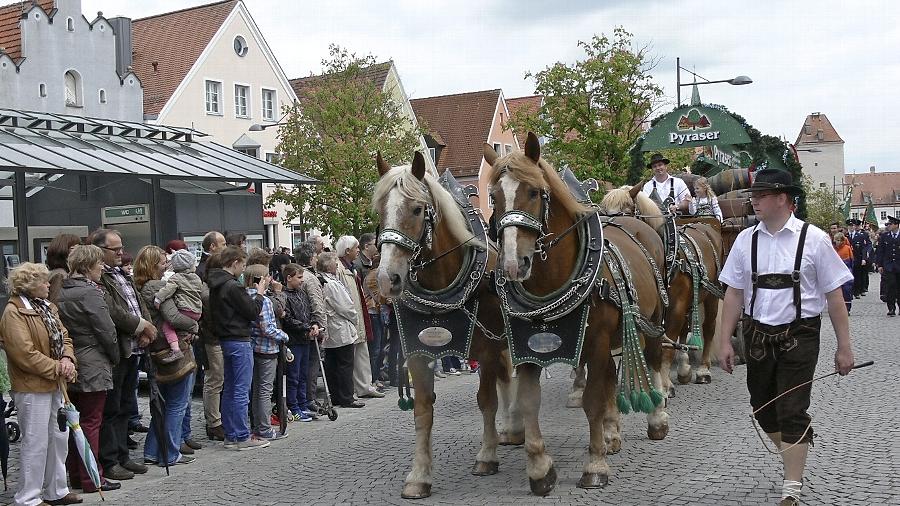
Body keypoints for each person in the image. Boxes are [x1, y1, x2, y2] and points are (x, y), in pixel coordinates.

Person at [716, 169, 855, 506]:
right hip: (757, 336)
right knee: (763, 409)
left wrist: (844, 347)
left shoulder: (815, 239)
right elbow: (733, 294)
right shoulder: (745, 240)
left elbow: (834, 296)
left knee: (792, 410)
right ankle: (796, 449)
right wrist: (722, 341)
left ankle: (791, 487)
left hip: (800, 335)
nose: (753, 200)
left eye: (760, 195)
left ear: (782, 198)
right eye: (754, 195)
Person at [0, 262, 80, 506]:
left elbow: (64, 336)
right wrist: (57, 367)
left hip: (57, 384)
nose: (48, 284)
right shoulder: (14, 312)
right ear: (30, 285)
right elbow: (23, 353)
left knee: (58, 437)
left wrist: (67, 358)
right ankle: (28, 497)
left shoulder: (48, 307)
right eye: (44, 281)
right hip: (31, 386)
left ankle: (56, 489)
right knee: (35, 441)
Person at [55, 245, 121, 494]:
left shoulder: (62, 291)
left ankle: (75, 474)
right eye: (99, 264)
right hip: (92, 360)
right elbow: (107, 330)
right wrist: (114, 357)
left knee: (74, 422)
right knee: (91, 422)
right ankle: (92, 477)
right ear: (87, 266)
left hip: (72, 359)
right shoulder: (90, 293)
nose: (102, 267)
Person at [90, 229, 155, 482]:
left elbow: (138, 303)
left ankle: (123, 454)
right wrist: (142, 327)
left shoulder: (120, 274)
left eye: (121, 248)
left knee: (127, 405)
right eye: (114, 249)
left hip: (134, 348)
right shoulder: (100, 278)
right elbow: (114, 311)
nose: (120, 253)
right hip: (117, 349)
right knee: (112, 407)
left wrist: (148, 328)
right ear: (99, 250)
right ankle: (111, 459)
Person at [132, 246, 199, 466]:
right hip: (172, 349)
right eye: (162, 262)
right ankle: (170, 453)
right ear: (152, 265)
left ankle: (152, 451)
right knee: (177, 404)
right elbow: (174, 316)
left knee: (161, 405)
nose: (166, 265)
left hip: (154, 349)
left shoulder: (137, 286)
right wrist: (194, 325)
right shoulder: (157, 286)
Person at [206, 246, 270, 450]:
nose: (243, 269)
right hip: (239, 339)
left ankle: (231, 434)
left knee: (230, 389)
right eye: (242, 265)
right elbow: (252, 311)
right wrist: (260, 293)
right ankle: (241, 435)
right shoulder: (232, 286)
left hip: (225, 339)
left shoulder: (215, 284)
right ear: (234, 263)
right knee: (241, 389)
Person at [244, 264, 290, 439]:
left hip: (252, 347)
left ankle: (257, 425)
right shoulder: (263, 300)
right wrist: (284, 336)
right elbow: (268, 328)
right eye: (268, 276)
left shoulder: (244, 296)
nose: (271, 279)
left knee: (257, 390)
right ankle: (264, 428)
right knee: (264, 391)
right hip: (266, 348)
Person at [335, 236, 384, 399]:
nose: (358, 251)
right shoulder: (340, 269)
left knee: (362, 353)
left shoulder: (351, 268)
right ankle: (355, 389)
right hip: (350, 317)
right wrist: (352, 313)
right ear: (347, 251)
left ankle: (365, 385)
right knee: (351, 357)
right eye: (356, 248)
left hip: (358, 315)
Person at [318, 252, 363, 408]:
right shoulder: (331, 284)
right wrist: (354, 318)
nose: (337, 265)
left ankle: (336, 395)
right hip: (339, 327)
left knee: (333, 364)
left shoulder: (325, 281)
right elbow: (345, 307)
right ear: (328, 265)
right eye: (334, 262)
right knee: (344, 364)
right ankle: (346, 397)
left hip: (333, 328)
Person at [196, 231, 227, 441]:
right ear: (213, 247)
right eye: (222, 243)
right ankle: (213, 422)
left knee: (220, 378)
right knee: (214, 378)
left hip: (219, 333)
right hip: (211, 334)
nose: (225, 246)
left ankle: (218, 418)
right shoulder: (203, 272)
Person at [281, 263, 319, 421]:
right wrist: (306, 327)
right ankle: (293, 406)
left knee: (303, 374)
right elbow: (288, 319)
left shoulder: (301, 293)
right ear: (289, 278)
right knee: (293, 376)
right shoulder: (284, 295)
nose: (302, 280)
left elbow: (309, 311)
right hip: (294, 341)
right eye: (299, 277)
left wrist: (315, 324)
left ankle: (302, 404)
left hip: (305, 339)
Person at [154, 250, 203, 364]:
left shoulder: (176, 278)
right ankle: (191, 335)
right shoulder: (196, 278)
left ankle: (175, 350)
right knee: (182, 328)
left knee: (167, 326)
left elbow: (168, 290)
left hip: (184, 309)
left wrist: (158, 299)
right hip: (197, 311)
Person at [295, 241, 327, 410]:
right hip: (311, 326)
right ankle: (310, 399)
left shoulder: (296, 274)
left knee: (304, 367)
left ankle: (306, 399)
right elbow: (317, 304)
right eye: (315, 256)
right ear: (311, 257)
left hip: (303, 325)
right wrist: (322, 328)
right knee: (312, 365)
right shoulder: (310, 278)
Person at [354, 233, 385, 388]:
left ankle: (376, 375)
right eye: (375, 243)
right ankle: (372, 378)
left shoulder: (369, 263)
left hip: (376, 310)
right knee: (375, 348)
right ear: (366, 246)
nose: (378, 245)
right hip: (370, 310)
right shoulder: (359, 265)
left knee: (379, 347)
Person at [874, 215, 900, 316]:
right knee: (890, 287)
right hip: (888, 266)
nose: (888, 225)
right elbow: (880, 251)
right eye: (888, 224)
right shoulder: (885, 236)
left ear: (896, 225)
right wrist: (879, 265)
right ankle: (891, 308)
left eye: (890, 224)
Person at [45, 233, 82, 303]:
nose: (79, 252)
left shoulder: (57, 272)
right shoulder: (60, 275)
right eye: (73, 249)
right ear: (62, 251)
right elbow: (56, 302)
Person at [846, 219, 872, 298]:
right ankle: (850, 292)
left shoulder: (860, 236)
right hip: (848, 259)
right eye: (850, 226)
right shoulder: (845, 236)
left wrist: (864, 258)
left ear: (855, 226)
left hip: (857, 258)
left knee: (857, 276)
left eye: (853, 226)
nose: (851, 227)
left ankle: (857, 292)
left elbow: (863, 248)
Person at [832, 232, 854, 313]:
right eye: (835, 240)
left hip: (846, 271)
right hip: (835, 272)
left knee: (846, 290)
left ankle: (847, 307)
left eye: (838, 240)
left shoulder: (847, 248)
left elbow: (851, 261)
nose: (836, 242)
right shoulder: (833, 249)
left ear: (842, 241)